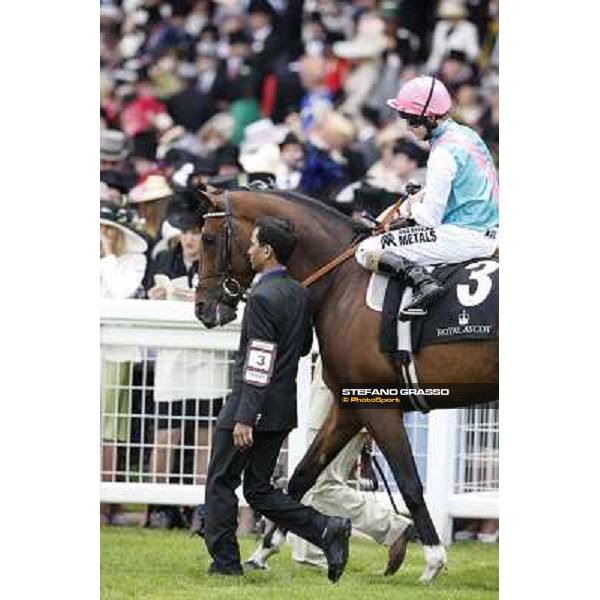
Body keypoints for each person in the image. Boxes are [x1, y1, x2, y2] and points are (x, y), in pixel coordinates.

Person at [203, 216, 352, 582]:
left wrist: (244, 416)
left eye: (253, 244)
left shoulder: (262, 296)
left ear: (267, 251)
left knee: (221, 482)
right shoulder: (300, 292)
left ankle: (225, 564)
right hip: (282, 408)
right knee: (258, 489)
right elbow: (301, 348)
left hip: (250, 405)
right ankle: (325, 527)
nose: (249, 250)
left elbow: (258, 359)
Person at [355, 75, 499, 314]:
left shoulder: (442, 153)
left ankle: (424, 283)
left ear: (431, 117)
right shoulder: (467, 135)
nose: (408, 128)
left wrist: (409, 208)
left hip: (462, 236)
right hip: (487, 230)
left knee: (367, 249)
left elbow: (430, 218)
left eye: (411, 120)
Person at [289, 358, 414, 576]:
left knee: (321, 485)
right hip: (343, 386)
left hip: (342, 392)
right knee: (315, 484)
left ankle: (392, 528)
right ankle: (309, 557)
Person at [100, 201, 148, 525]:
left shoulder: (134, 261)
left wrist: (106, 256)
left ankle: (106, 502)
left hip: (115, 351)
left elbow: (119, 294)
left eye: (106, 230)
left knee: (109, 429)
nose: (100, 234)